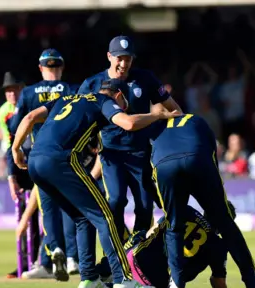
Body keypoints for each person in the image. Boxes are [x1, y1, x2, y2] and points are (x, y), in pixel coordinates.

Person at [12, 79, 175, 288]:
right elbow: (128, 123)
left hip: (35, 163)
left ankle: (89, 279)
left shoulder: (66, 99)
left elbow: (30, 117)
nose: (122, 107)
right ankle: (122, 279)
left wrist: (16, 149)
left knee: (82, 218)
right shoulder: (103, 101)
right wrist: (158, 115)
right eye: (123, 102)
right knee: (106, 216)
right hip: (61, 161)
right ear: (118, 95)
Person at [148, 113, 255, 288]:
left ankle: (176, 283)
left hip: (164, 166)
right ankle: (251, 280)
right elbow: (212, 156)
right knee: (225, 222)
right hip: (197, 160)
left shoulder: (154, 125)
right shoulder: (196, 119)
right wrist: (214, 200)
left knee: (174, 225)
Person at [78, 35, 182, 235]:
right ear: (109, 56)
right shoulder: (92, 83)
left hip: (141, 154)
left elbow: (174, 109)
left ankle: (139, 253)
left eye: (128, 58)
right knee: (116, 200)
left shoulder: (145, 79)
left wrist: (181, 133)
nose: (123, 63)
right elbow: (78, 116)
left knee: (144, 206)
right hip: (111, 154)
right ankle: (119, 252)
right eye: (119, 58)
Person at [6, 49, 74, 281]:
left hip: (40, 156)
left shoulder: (28, 92)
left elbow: (15, 126)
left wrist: (16, 152)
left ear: (40, 68)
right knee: (70, 206)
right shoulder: (71, 90)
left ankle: (52, 254)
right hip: (69, 156)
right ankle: (69, 258)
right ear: (61, 68)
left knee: (49, 208)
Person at [96, 204, 233, 288]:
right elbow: (219, 287)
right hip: (159, 285)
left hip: (137, 259)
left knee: (140, 235)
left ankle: (103, 271)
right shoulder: (219, 246)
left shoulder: (187, 210)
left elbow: (152, 231)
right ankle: (109, 280)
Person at [0, 72, 43, 279]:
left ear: (23, 89)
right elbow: (10, 144)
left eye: (15, 89)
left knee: (49, 213)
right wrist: (10, 176)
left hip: (41, 158)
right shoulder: (3, 112)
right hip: (21, 162)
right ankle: (26, 262)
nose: (11, 94)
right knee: (26, 215)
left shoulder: (33, 102)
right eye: (8, 91)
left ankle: (47, 259)